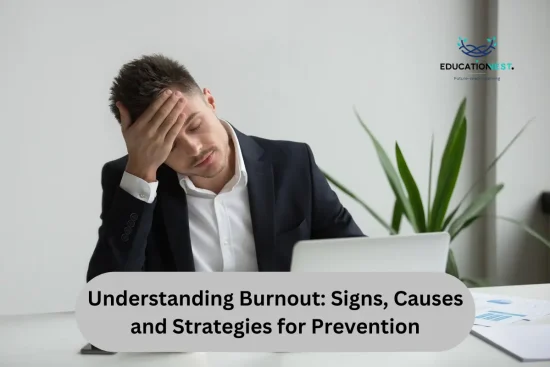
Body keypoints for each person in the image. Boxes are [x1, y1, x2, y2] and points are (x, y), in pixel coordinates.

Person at [86, 54, 364, 282]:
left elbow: (358, 260)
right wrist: (141, 175)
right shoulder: (131, 182)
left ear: (210, 101)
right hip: (189, 345)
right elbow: (108, 309)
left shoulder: (292, 163)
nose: (194, 148)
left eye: (195, 125)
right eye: (169, 144)